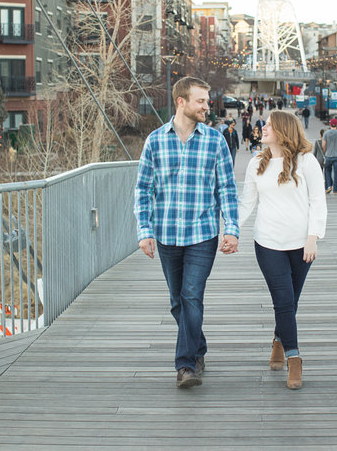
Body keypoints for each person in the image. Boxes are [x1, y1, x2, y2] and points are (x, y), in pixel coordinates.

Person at [134, 76, 239, 389]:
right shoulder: (155, 141)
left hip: (202, 234)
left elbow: (227, 189)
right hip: (166, 234)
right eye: (201, 101)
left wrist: (231, 229)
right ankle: (198, 347)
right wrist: (144, 230)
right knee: (178, 302)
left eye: (207, 101)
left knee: (192, 295)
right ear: (181, 102)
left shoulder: (215, 140)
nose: (207, 106)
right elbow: (143, 189)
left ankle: (185, 366)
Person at [238, 110, 326, 390]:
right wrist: (228, 228)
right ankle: (294, 357)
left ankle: (278, 340)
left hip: (301, 244)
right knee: (284, 300)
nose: (262, 128)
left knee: (290, 301)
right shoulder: (255, 164)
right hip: (268, 243)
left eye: (268, 125)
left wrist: (313, 237)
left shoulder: (307, 161)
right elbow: (246, 204)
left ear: (283, 130)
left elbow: (317, 202)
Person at [318, 118, 337, 195]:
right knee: (336, 173)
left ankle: (329, 186)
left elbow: (323, 145)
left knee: (327, 171)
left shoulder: (326, 133)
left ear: (330, 124)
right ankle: (335, 190)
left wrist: (326, 151)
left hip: (328, 156)